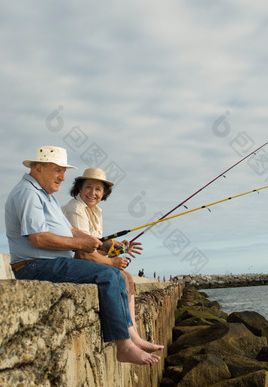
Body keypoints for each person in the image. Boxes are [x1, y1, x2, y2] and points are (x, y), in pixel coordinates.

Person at [5, 146, 161, 365]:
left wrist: (101, 243)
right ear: (38, 168)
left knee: (115, 275)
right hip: (34, 265)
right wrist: (82, 243)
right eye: (58, 170)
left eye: (64, 171)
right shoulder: (28, 194)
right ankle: (124, 346)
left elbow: (68, 231)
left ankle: (129, 338)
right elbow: (38, 239)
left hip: (51, 262)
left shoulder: (45, 195)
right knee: (109, 275)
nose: (62, 177)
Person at [62, 167, 163, 353]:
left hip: (88, 257)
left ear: (104, 193)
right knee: (121, 277)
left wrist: (121, 249)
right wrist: (112, 262)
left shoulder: (95, 211)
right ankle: (130, 335)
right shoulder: (76, 209)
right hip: (75, 260)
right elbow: (83, 249)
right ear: (79, 188)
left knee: (128, 277)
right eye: (89, 187)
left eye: (98, 189)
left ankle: (133, 333)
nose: (93, 193)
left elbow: (98, 244)